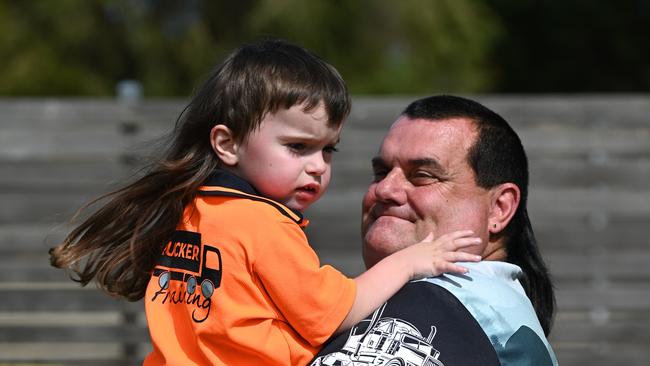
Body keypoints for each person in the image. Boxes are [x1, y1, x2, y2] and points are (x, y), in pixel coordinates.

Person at [49, 41, 482, 365]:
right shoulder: (262, 223)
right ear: (228, 144)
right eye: (298, 146)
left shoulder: (193, 211)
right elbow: (333, 312)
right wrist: (413, 260)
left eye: (328, 150)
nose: (317, 166)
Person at [311, 95, 558, 366]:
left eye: (423, 175)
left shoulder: (453, 305)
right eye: (381, 172)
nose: (384, 190)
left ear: (499, 208)